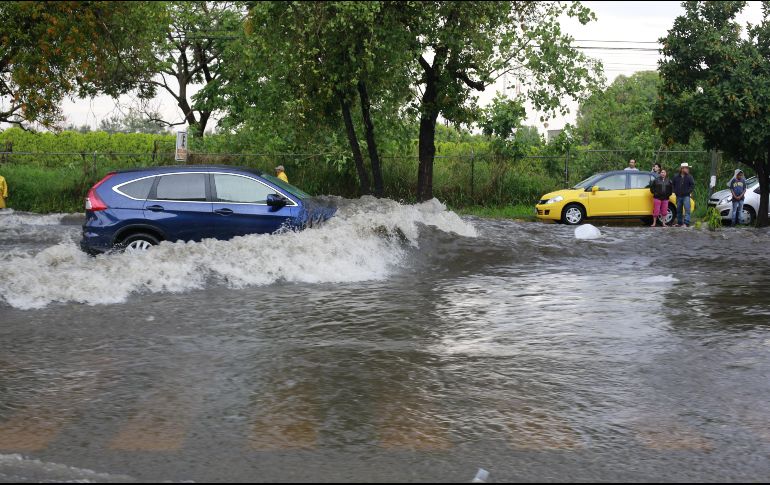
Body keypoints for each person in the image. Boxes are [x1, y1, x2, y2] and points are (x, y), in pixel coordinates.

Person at [672, 162, 695, 227]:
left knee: (687, 210)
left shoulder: (690, 177)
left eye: (688, 168)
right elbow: (673, 185)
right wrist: (675, 191)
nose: (688, 169)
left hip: (686, 196)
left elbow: (692, 185)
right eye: (686, 168)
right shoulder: (676, 176)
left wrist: (688, 192)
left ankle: (686, 223)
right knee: (678, 210)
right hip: (678, 196)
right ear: (682, 169)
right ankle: (679, 223)